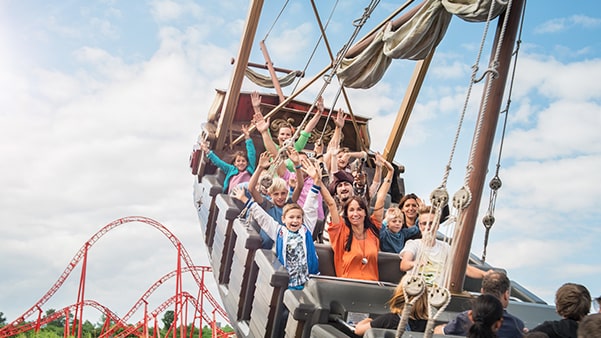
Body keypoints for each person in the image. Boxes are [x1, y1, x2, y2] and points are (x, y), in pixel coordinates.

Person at [315, 156, 395, 281]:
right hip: (348, 287)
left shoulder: (372, 229)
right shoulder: (341, 232)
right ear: (346, 214)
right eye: (351, 210)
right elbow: (331, 204)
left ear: (365, 212)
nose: (355, 213)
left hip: (372, 287)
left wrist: (390, 173)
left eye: (359, 209)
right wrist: (318, 182)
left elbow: (380, 199)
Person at [230, 181, 320, 290]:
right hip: (289, 283)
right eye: (291, 217)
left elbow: (310, 206)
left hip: (310, 281)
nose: (295, 221)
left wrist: (316, 182)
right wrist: (244, 199)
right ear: (284, 219)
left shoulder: (306, 229)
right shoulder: (279, 232)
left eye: (298, 217)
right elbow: (262, 217)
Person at [400, 205, 488, 287]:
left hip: (438, 294)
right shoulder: (413, 244)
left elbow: (465, 268)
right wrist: (415, 263)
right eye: (424, 223)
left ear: (437, 225)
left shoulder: (445, 247)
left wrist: (485, 274)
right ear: (419, 226)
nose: (428, 227)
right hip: (416, 290)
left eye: (431, 223)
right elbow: (404, 264)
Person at [434, 271, 526, 337]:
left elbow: (437, 332)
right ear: (506, 295)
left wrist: (443, 327)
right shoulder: (516, 325)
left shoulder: (464, 318)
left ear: (482, 291)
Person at [252, 92, 322, 172]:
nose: (284, 137)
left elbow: (307, 130)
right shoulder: (273, 147)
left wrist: (319, 113)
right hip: (274, 181)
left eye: (288, 135)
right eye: (282, 134)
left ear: (291, 138)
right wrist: (256, 108)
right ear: (278, 136)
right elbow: (264, 129)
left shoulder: (296, 147)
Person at [247, 150, 303, 248]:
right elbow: (251, 189)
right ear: (270, 194)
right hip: (265, 248)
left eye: (283, 193)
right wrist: (260, 168)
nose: (280, 197)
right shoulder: (267, 204)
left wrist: (297, 165)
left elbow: (300, 187)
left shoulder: (289, 205)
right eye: (276, 194)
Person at [354, 276, 429, 335]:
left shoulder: (389, 320)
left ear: (400, 294)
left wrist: (369, 320)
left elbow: (358, 330)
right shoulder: (427, 325)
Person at [201, 124, 256, 194]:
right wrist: (207, 151)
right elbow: (219, 162)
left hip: (248, 193)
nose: (241, 163)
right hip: (235, 193)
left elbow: (252, 154)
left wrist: (247, 137)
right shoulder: (231, 169)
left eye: (243, 161)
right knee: (248, 186)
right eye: (238, 161)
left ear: (247, 163)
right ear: (234, 163)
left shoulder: (250, 168)